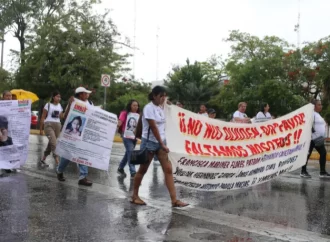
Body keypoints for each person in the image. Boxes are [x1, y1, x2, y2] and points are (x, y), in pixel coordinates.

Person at [131, 86, 188, 207]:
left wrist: (168, 103)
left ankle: (174, 200)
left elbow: (171, 113)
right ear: (154, 95)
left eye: (164, 96)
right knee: (143, 170)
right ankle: (134, 196)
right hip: (150, 143)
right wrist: (162, 144)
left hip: (161, 142)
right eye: (161, 96)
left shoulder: (162, 107)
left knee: (168, 170)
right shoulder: (148, 108)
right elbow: (153, 127)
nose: (163, 98)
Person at [56, 87, 93, 186]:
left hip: (83, 134)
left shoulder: (90, 104)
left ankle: (83, 177)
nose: (87, 95)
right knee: (67, 156)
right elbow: (65, 116)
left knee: (82, 154)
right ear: (80, 94)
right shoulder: (73, 102)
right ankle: (59, 170)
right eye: (86, 93)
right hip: (71, 135)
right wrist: (70, 104)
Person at [300, 99, 330, 178]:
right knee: (307, 154)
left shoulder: (317, 114)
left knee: (323, 153)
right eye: (319, 105)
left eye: (321, 104)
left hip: (318, 139)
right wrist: (314, 133)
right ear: (314, 106)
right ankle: (303, 171)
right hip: (312, 139)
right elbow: (309, 125)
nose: (321, 106)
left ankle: (322, 172)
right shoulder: (312, 114)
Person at [39, 91, 63, 166]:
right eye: (57, 96)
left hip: (58, 125)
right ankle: (57, 161)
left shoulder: (60, 106)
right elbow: (43, 116)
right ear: (53, 97)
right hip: (48, 125)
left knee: (51, 143)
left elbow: (62, 117)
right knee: (54, 143)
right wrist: (41, 129)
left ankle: (43, 158)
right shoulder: (48, 105)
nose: (59, 98)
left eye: (60, 97)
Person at [117, 100, 140, 178]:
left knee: (128, 153)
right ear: (130, 105)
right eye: (134, 105)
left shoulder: (138, 115)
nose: (136, 107)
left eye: (137, 105)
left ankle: (120, 168)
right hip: (126, 136)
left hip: (134, 137)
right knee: (131, 152)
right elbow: (119, 122)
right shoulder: (124, 113)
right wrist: (117, 125)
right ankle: (133, 172)